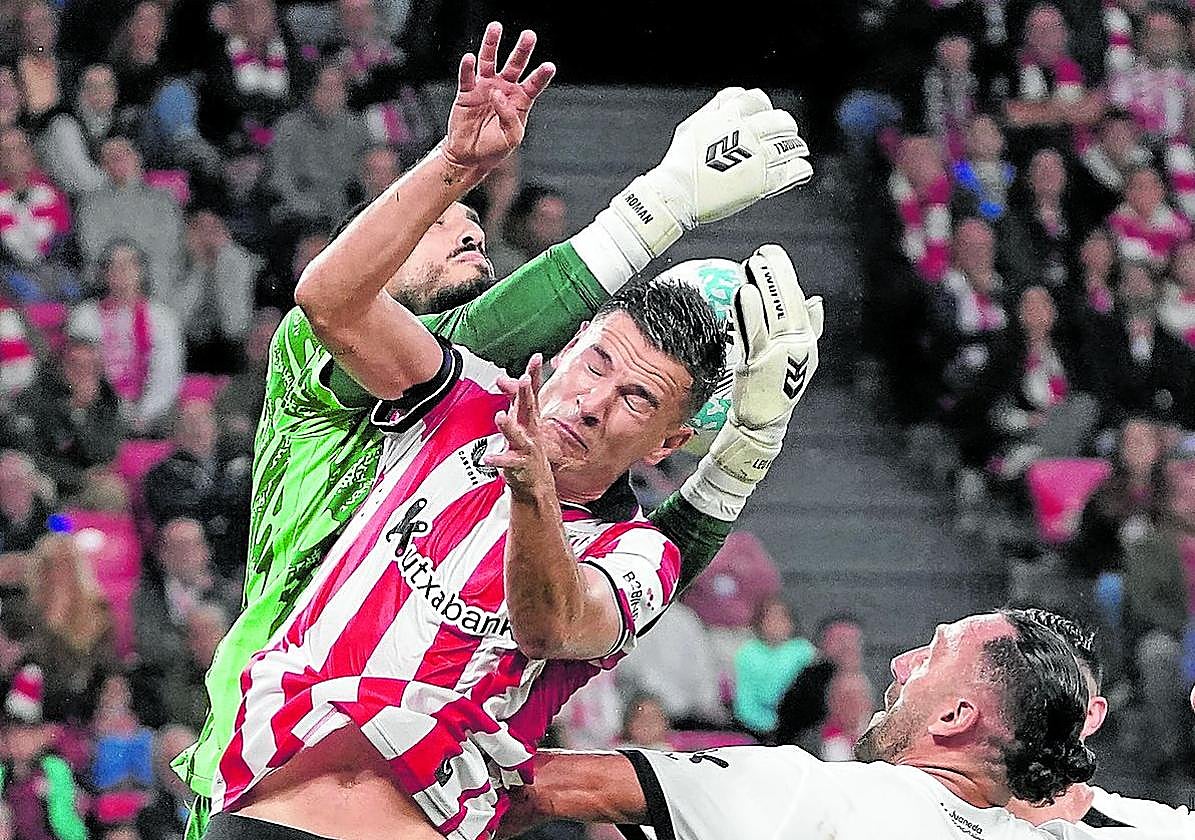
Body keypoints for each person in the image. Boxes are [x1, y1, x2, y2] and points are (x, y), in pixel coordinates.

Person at [175, 20, 816, 840]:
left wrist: (745, 447)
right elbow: (379, 313)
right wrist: (632, 204)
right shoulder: (386, 372)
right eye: (441, 224)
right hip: (254, 781)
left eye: (634, 398)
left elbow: (575, 613)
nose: (470, 229)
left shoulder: (626, 545)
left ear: (665, 440)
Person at [501, 609, 1099, 840]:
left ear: (954, 717)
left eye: (932, 655)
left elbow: (537, 784)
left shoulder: (815, 795)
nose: (899, 663)